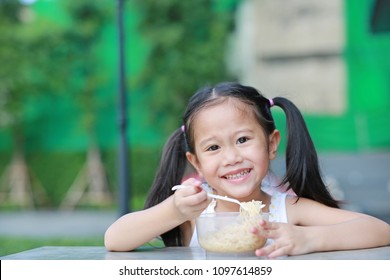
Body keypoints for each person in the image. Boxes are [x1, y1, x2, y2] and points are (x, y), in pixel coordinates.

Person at [105, 82, 390, 257]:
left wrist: (308, 238)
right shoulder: (194, 215)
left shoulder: (289, 211)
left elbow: (379, 230)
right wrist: (175, 211)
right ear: (196, 163)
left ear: (271, 144)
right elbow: (114, 239)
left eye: (242, 140)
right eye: (213, 148)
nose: (231, 157)